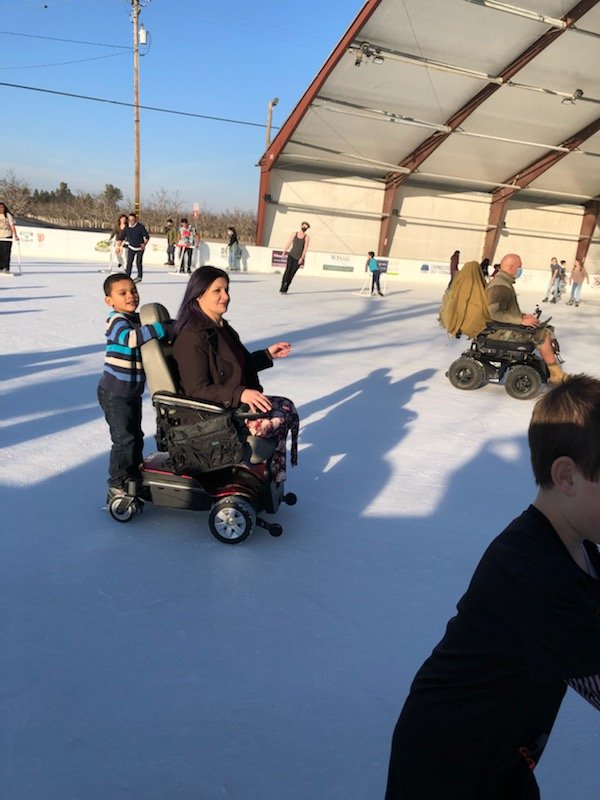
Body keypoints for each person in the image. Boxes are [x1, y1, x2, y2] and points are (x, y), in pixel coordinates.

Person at [386, 374, 600, 800]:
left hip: (504, 754)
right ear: (567, 476)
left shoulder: (580, 546)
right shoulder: (536, 574)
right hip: (447, 765)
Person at [173, 266, 299, 482]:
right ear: (199, 294)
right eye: (218, 291)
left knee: (286, 407)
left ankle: (267, 478)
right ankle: (254, 475)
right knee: (276, 419)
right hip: (213, 415)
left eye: (227, 289)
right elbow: (196, 389)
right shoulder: (191, 336)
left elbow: (238, 366)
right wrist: (240, 394)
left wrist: (267, 354)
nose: (226, 296)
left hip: (230, 405)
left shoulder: (222, 328)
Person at [97, 273, 174, 502]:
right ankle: (117, 484)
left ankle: (133, 475)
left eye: (133, 291)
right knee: (123, 440)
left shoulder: (137, 319)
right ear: (109, 300)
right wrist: (161, 329)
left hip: (132, 392)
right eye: (123, 293)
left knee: (136, 436)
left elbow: (156, 328)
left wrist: (171, 326)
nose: (131, 296)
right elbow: (130, 339)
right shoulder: (116, 320)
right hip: (113, 393)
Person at [486, 253, 566, 384]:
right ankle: (555, 374)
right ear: (512, 267)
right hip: (498, 332)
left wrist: (522, 316)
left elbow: (506, 311)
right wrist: (520, 320)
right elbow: (494, 313)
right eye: (519, 266)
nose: (520, 270)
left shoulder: (504, 282)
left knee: (545, 328)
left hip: (505, 326)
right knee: (542, 334)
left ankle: (552, 367)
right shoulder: (499, 285)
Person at [118, 212, 149, 283]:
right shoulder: (127, 227)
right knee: (129, 262)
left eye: (133, 220)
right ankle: (127, 277)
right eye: (130, 220)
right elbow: (122, 236)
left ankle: (139, 276)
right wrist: (119, 241)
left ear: (135, 220)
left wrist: (144, 244)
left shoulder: (140, 227)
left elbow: (147, 237)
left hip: (140, 248)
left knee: (138, 262)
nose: (131, 221)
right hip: (131, 247)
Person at [280, 221, 310, 294]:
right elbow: (289, 242)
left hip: (298, 258)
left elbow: (305, 248)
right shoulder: (295, 234)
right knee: (287, 271)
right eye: (304, 226)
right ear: (301, 226)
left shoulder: (306, 238)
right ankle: (283, 285)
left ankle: (286, 287)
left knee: (292, 273)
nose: (304, 228)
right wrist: (284, 251)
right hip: (291, 255)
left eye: (306, 227)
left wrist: (301, 258)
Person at [0, 201, 19, 273]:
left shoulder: (8, 215)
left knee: (6, 252)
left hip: (7, 236)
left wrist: (15, 235)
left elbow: (12, 226)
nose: (1, 209)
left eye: (2, 207)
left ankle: (6, 267)